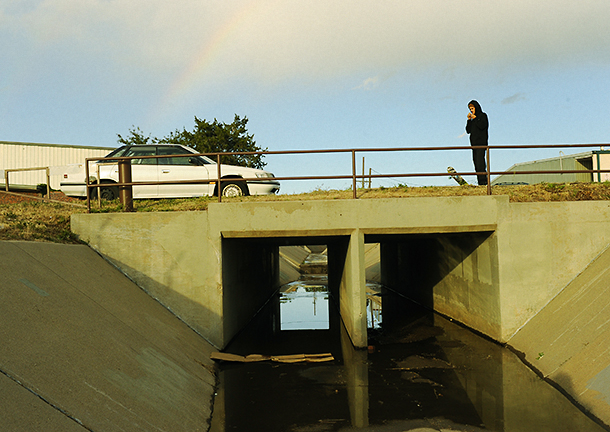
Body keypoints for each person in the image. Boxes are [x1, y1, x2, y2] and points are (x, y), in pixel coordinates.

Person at [465, 100, 489, 186]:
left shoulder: (483, 116)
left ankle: (484, 182)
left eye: (472, 108)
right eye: (470, 109)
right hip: (473, 145)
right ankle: (480, 182)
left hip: (481, 143)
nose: (471, 110)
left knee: (480, 163)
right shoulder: (472, 120)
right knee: (475, 162)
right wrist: (469, 120)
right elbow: (468, 130)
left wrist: (476, 118)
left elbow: (483, 126)